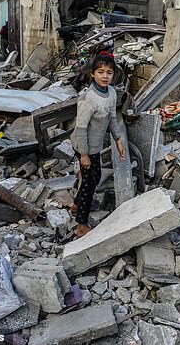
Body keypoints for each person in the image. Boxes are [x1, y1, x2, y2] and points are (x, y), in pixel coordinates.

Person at [70, 52, 125, 238]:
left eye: (109, 72)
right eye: (100, 72)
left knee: (92, 178)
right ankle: (81, 225)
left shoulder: (111, 93)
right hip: (83, 145)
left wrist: (118, 140)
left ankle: (76, 205)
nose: (105, 76)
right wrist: (83, 154)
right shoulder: (89, 99)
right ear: (92, 74)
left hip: (95, 146)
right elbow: (80, 128)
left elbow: (111, 118)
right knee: (89, 183)